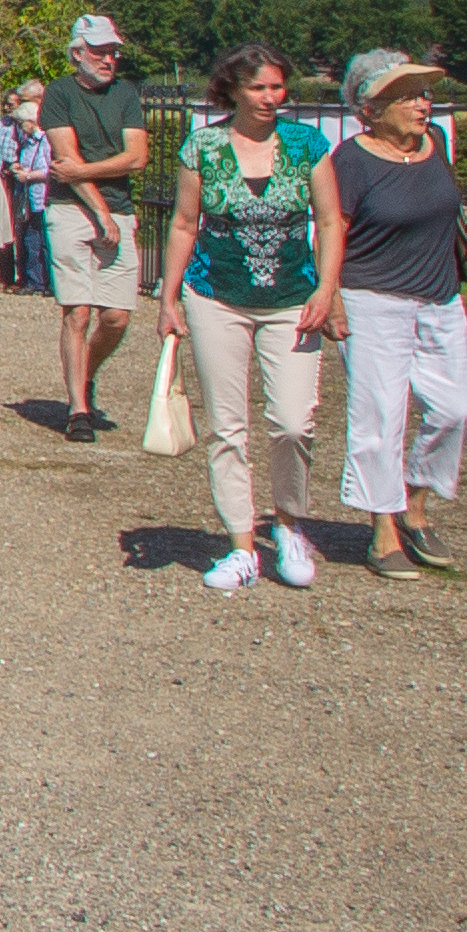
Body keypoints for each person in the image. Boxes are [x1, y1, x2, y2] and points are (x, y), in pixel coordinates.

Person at [152, 44, 325, 595]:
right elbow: (183, 223)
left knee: (294, 421)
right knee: (228, 426)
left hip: (293, 296)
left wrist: (328, 288)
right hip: (216, 295)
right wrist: (168, 299)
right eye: (259, 88)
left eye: (278, 87)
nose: (272, 97)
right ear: (232, 91)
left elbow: (332, 220)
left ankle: (290, 525)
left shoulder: (307, 144)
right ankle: (242, 544)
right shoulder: (202, 145)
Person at [316, 52, 467, 580]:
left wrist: (466, 219)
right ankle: (383, 530)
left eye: (423, 93)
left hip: (439, 296)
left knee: (456, 406)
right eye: (408, 94)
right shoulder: (352, 160)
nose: (422, 102)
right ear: (372, 107)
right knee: (380, 417)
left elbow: (439, 206)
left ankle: (412, 500)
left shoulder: (434, 142)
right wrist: (332, 294)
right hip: (373, 299)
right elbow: (331, 227)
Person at [41, 15, 155, 440]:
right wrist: (100, 210)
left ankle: (85, 374)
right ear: (78, 53)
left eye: (113, 52)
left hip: (118, 207)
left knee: (117, 317)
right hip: (71, 209)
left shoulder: (125, 94)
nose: (109, 59)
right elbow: (62, 155)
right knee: (78, 311)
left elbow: (136, 157)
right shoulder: (60, 93)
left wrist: (85, 172)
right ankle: (78, 409)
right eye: (100, 51)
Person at [0, 80, 55, 300]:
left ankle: (42, 282)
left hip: (40, 196)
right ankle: (30, 279)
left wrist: (28, 175)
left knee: (40, 242)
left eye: (22, 125)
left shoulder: (45, 141)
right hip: (27, 196)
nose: (20, 129)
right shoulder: (29, 142)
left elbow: (49, 169)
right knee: (28, 240)